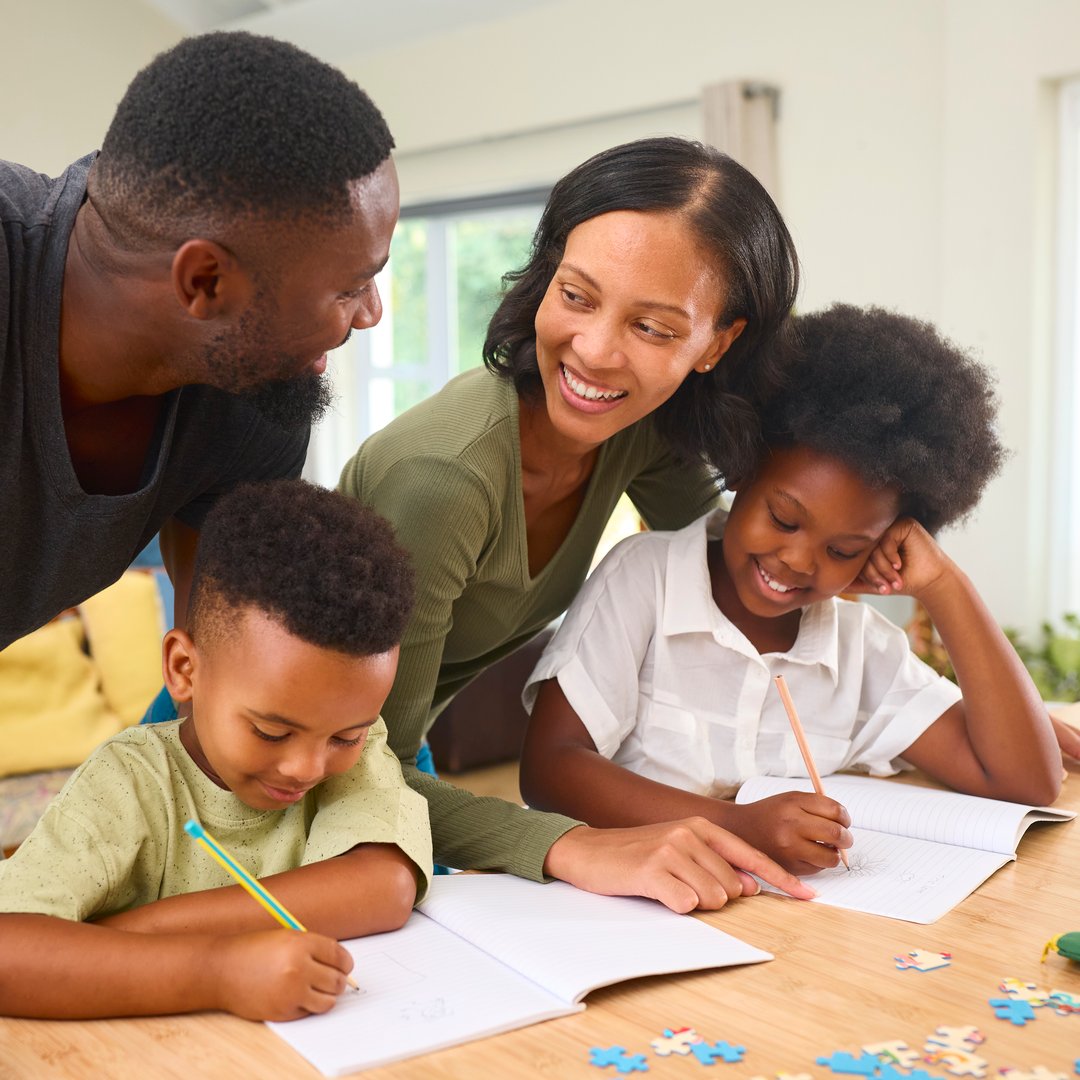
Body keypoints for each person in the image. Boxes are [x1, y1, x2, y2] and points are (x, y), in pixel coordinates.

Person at [339, 136, 816, 912]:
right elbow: (351, 769)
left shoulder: (640, 435)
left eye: (653, 328)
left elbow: (740, 569)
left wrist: (936, 653)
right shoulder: (444, 481)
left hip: (393, 757)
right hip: (255, 762)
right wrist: (571, 841)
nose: (593, 352)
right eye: (577, 296)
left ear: (717, 344)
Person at [518, 304, 1063, 876]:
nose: (798, 561)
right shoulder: (646, 578)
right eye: (783, 518)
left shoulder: (858, 648)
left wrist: (944, 585)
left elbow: (1026, 780)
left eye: (844, 551)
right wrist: (737, 826)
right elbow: (549, 769)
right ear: (741, 469)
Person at [0, 30, 399, 652]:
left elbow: (223, 676)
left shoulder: (255, 395)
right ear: (205, 281)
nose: (372, 313)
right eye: (351, 286)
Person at [0, 480, 431, 1021]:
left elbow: (383, 885)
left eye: (345, 737)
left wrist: (120, 937)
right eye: (272, 732)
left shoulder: (358, 749)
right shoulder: (129, 783)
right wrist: (220, 971)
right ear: (185, 669)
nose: (307, 767)